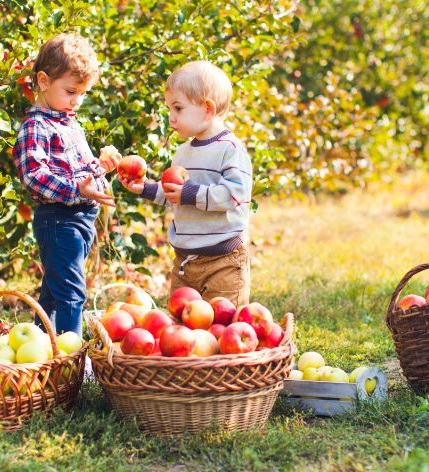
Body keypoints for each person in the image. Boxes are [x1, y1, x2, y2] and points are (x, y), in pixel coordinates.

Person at [13, 33, 120, 335]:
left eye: (83, 93)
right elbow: (34, 176)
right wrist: (76, 191)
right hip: (59, 221)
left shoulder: (67, 121)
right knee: (72, 291)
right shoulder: (36, 126)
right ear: (44, 81)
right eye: (71, 91)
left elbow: (80, 173)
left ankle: (43, 344)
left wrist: (102, 167)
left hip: (80, 220)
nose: (77, 100)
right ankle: (71, 356)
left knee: (55, 286)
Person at [121, 61, 252, 306]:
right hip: (184, 261)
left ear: (207, 109)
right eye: (170, 109)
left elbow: (235, 194)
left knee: (222, 327)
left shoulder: (230, 149)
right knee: (183, 330)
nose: (171, 117)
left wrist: (189, 193)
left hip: (223, 260)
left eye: (178, 108)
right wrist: (147, 188)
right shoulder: (182, 152)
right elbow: (178, 196)